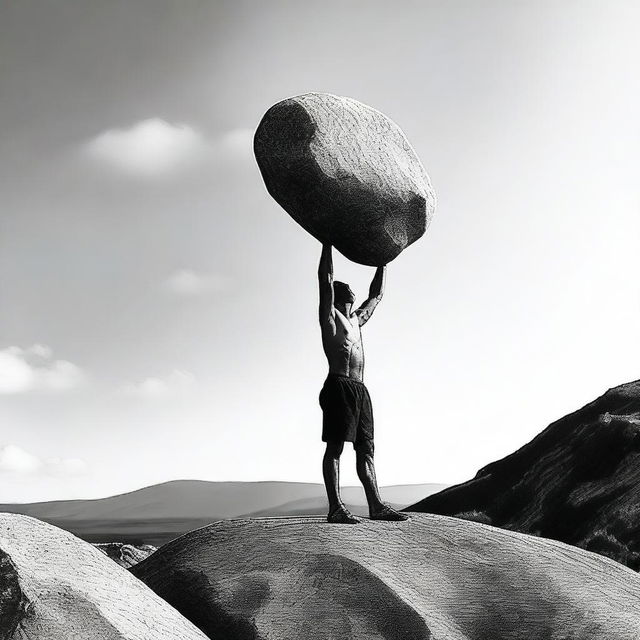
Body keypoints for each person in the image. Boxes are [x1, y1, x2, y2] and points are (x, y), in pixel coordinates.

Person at [318, 243, 410, 524]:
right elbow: (325, 280)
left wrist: (384, 261)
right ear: (338, 297)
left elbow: (377, 296)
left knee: (366, 449)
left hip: (360, 390)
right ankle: (336, 508)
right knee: (335, 448)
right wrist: (327, 243)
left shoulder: (357, 321)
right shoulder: (329, 318)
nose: (351, 293)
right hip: (338, 385)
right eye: (345, 291)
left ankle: (376, 505)